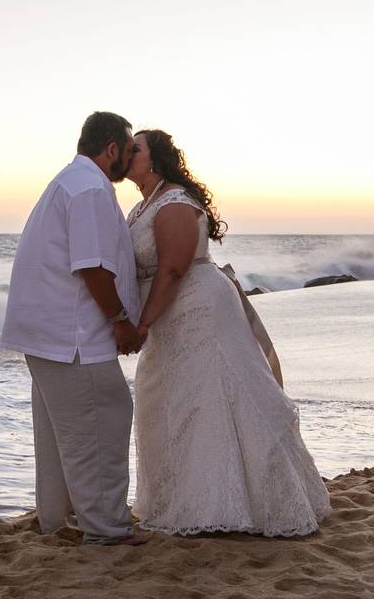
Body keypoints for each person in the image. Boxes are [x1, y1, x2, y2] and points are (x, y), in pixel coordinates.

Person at [126, 128, 331, 537]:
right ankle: (182, 500)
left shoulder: (174, 202)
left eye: (136, 148)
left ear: (156, 159)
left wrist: (143, 322)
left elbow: (172, 267)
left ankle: (231, 505)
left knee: (211, 397)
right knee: (169, 397)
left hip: (198, 308)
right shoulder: (140, 207)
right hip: (170, 311)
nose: (129, 153)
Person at [1, 111, 146, 546]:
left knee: (59, 432)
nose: (132, 156)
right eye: (129, 148)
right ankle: (105, 529)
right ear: (113, 149)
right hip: (74, 336)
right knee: (101, 422)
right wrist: (121, 321)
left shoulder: (69, 181)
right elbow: (92, 267)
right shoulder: (88, 190)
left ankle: (56, 519)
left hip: (47, 332)